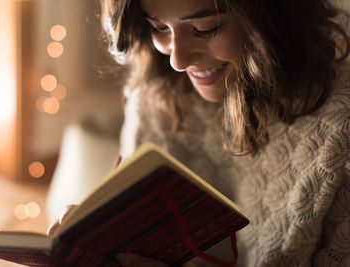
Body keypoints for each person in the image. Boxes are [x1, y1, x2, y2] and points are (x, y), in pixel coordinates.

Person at [50, 0, 350, 266]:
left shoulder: (338, 130)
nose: (177, 60)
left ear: (274, 16)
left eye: (205, 28)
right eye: (158, 27)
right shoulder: (154, 97)